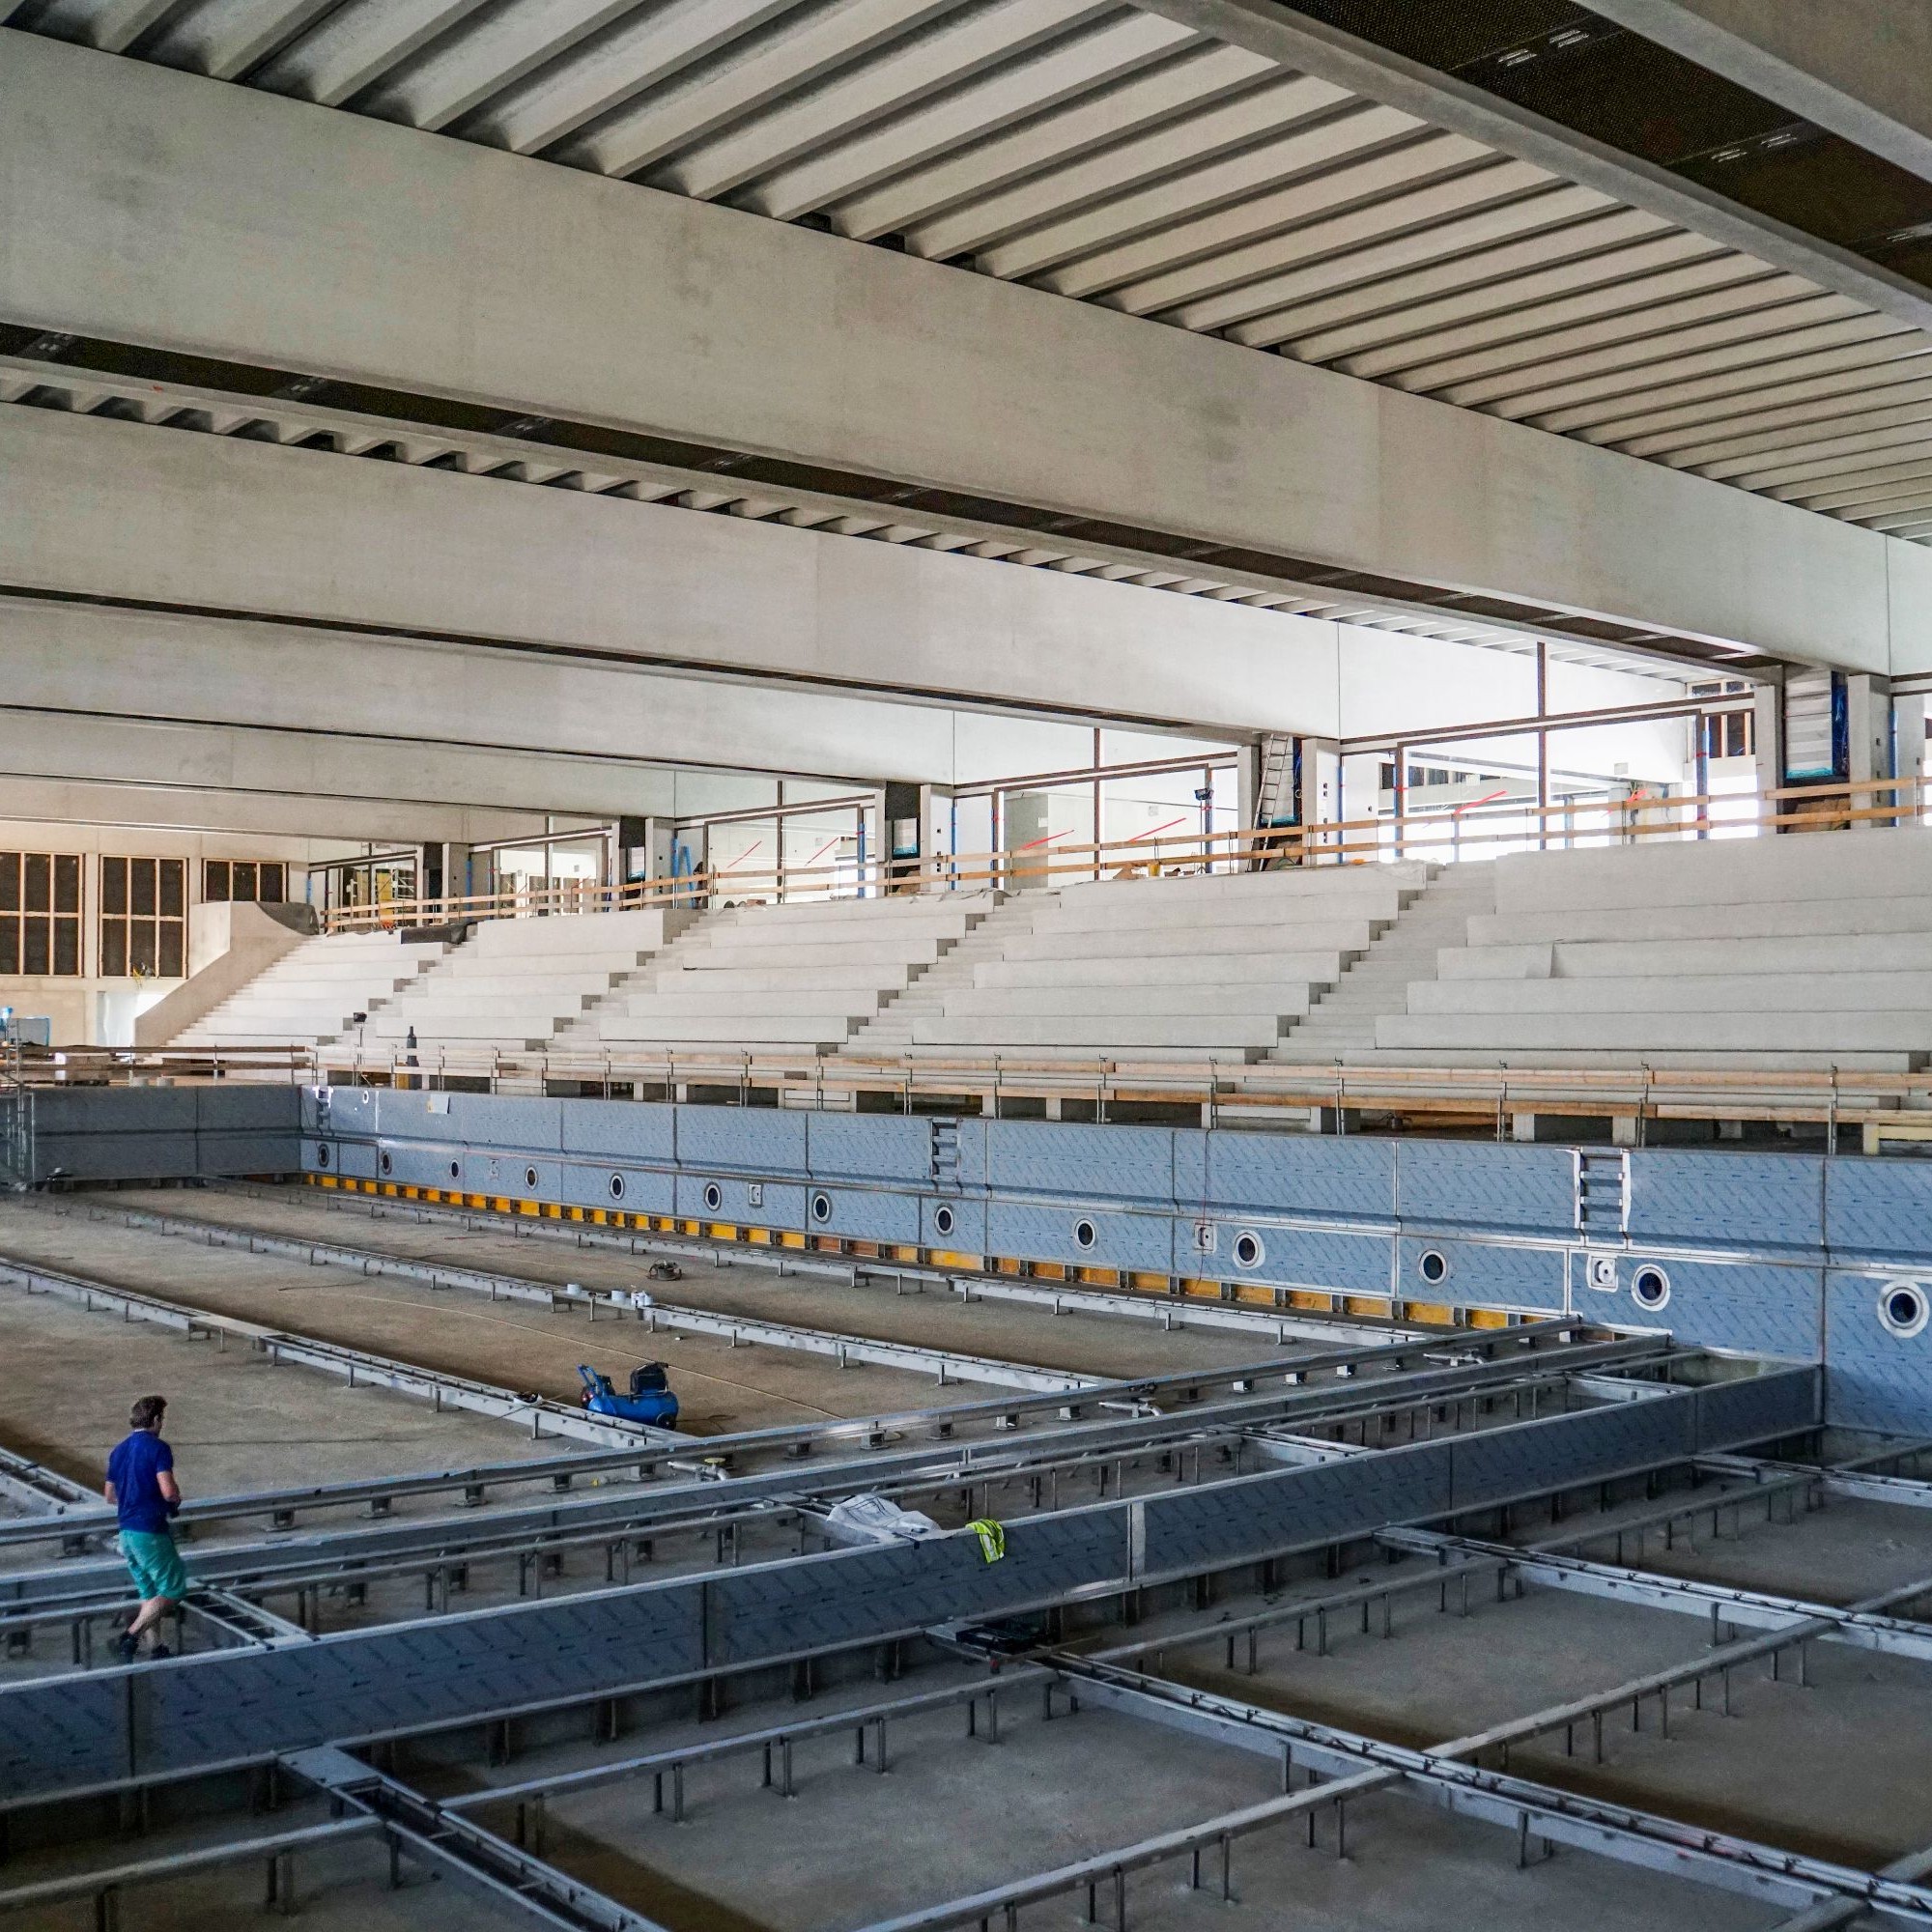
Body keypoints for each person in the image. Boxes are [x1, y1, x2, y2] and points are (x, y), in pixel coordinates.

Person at [104, 1394, 185, 1662]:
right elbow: (168, 1490)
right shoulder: (158, 1448)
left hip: (125, 1533)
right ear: (156, 1419)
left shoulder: (118, 1450)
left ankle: (157, 1647)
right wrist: (172, 1500)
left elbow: (109, 1495)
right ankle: (131, 1636)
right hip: (149, 1531)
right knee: (173, 1589)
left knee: (150, 1592)